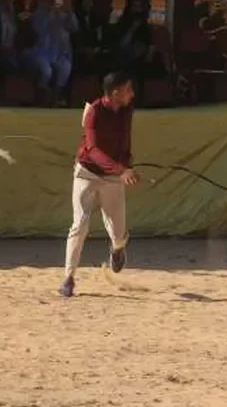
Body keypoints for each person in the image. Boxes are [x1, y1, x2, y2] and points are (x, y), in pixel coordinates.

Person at [59, 71, 140, 298]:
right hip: (87, 173)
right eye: (127, 90)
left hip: (113, 176)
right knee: (80, 224)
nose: (131, 94)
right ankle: (68, 278)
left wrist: (127, 166)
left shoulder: (126, 111)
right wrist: (121, 170)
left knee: (118, 232)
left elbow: (125, 144)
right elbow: (92, 150)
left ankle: (117, 249)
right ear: (115, 93)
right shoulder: (93, 111)